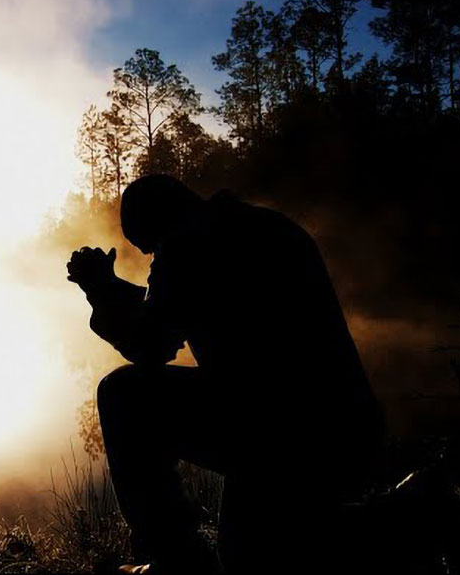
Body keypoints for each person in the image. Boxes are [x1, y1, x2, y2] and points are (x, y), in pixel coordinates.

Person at [66, 174, 385, 574]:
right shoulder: (264, 225)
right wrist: (114, 287)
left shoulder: (188, 244)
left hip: (277, 430)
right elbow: (170, 305)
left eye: (151, 250)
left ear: (160, 219)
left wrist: (100, 290)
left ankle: (173, 558)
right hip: (343, 428)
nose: (153, 261)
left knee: (123, 394)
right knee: (253, 554)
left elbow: (152, 345)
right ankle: (415, 508)